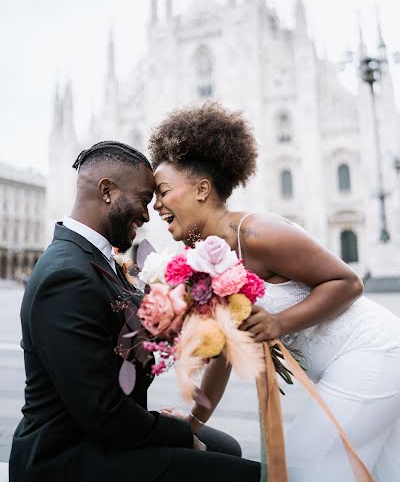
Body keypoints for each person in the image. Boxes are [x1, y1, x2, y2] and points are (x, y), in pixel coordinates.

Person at [149, 101, 400, 482]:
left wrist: (279, 323)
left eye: (163, 192)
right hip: (339, 369)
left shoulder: (257, 233)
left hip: (372, 353)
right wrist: (195, 422)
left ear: (202, 189)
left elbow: (348, 283)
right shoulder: (205, 259)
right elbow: (226, 353)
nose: (155, 205)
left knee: (302, 465)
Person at [10, 140, 260, 482]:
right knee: (243, 474)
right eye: (144, 199)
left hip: (101, 431)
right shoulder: (65, 274)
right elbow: (101, 412)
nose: (147, 214)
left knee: (225, 447)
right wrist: (181, 433)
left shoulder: (96, 258)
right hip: (66, 454)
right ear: (107, 191)